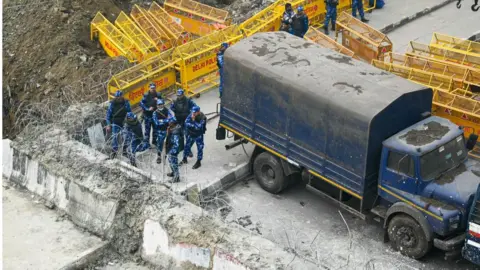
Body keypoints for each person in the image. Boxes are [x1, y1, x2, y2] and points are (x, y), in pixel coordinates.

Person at [106, 90, 131, 159]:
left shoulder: (126, 103)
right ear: (115, 97)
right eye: (117, 97)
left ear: (122, 96)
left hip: (124, 122)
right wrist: (108, 124)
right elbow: (108, 115)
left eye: (120, 96)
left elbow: (129, 112)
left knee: (126, 136)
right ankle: (114, 152)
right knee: (115, 137)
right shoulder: (112, 104)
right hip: (115, 122)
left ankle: (125, 151)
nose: (119, 98)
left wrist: (130, 121)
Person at [140, 82, 162, 149]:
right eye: (151, 88)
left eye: (154, 88)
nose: (153, 89)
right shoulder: (146, 95)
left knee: (155, 130)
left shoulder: (158, 94)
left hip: (155, 115)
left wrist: (158, 100)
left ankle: (154, 142)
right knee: (147, 131)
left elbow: (162, 103)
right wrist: (147, 108)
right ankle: (147, 144)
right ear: (149, 88)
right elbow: (141, 103)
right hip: (148, 115)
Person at [153, 99, 174, 164]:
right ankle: (159, 156)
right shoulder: (155, 113)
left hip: (167, 130)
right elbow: (156, 123)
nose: (160, 106)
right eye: (159, 104)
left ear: (163, 104)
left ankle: (165, 154)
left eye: (161, 104)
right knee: (159, 144)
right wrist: (166, 120)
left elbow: (172, 119)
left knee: (168, 143)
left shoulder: (167, 111)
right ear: (157, 105)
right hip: (160, 131)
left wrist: (162, 121)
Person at [165, 117, 182, 183]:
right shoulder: (172, 128)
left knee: (174, 163)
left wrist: (172, 153)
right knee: (170, 162)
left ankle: (177, 177)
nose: (168, 123)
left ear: (173, 123)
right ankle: (173, 173)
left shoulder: (175, 133)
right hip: (171, 148)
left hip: (173, 151)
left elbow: (176, 145)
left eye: (169, 122)